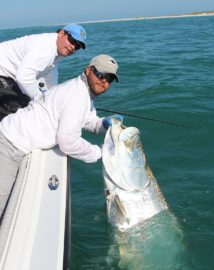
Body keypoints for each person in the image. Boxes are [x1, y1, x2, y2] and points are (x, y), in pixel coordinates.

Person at [0, 54, 123, 218]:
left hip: (13, 136)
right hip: (11, 144)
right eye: (101, 74)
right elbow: (68, 142)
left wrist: (103, 124)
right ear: (88, 70)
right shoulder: (78, 96)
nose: (104, 82)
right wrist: (101, 153)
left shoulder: (80, 89)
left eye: (109, 79)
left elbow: (87, 120)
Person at [0, 23, 87, 120]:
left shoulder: (56, 52)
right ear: (61, 33)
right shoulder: (45, 48)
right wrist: (41, 100)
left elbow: (51, 77)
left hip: (9, 78)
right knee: (20, 116)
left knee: (29, 106)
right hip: (3, 72)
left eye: (77, 46)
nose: (73, 47)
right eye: (72, 41)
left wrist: (53, 101)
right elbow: (23, 77)